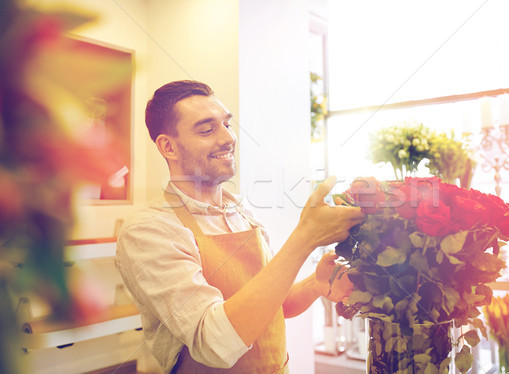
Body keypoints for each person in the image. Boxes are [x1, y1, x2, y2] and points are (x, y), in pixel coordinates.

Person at [116, 80, 364, 373]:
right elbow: (214, 344)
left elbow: (272, 306)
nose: (227, 138)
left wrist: (315, 284)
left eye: (227, 124)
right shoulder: (149, 231)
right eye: (207, 129)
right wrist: (304, 239)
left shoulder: (241, 214)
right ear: (168, 146)